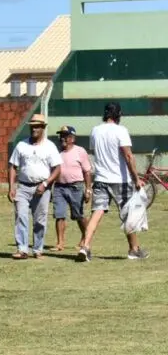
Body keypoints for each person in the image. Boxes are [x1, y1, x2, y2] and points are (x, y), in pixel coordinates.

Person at [77, 102, 148, 262]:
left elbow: (96, 152)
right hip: (120, 180)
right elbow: (128, 156)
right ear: (118, 115)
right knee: (129, 215)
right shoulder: (121, 131)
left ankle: (85, 247)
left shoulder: (95, 131)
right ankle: (134, 250)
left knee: (97, 212)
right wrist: (136, 178)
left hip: (101, 178)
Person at [8, 113, 61, 259]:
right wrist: (11, 187)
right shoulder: (21, 145)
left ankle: (38, 249)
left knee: (40, 220)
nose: (34, 129)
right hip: (23, 187)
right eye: (32, 126)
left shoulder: (50, 147)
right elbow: (13, 166)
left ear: (43, 128)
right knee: (21, 217)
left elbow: (57, 169)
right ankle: (22, 249)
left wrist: (45, 184)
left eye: (37, 126)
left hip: (42, 188)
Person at [52, 125, 92, 251]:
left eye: (65, 136)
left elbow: (87, 172)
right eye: (61, 136)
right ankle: (60, 243)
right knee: (59, 214)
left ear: (72, 138)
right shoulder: (57, 153)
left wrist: (88, 189)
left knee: (78, 215)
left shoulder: (80, 151)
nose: (62, 138)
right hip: (59, 187)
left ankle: (85, 238)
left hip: (76, 187)